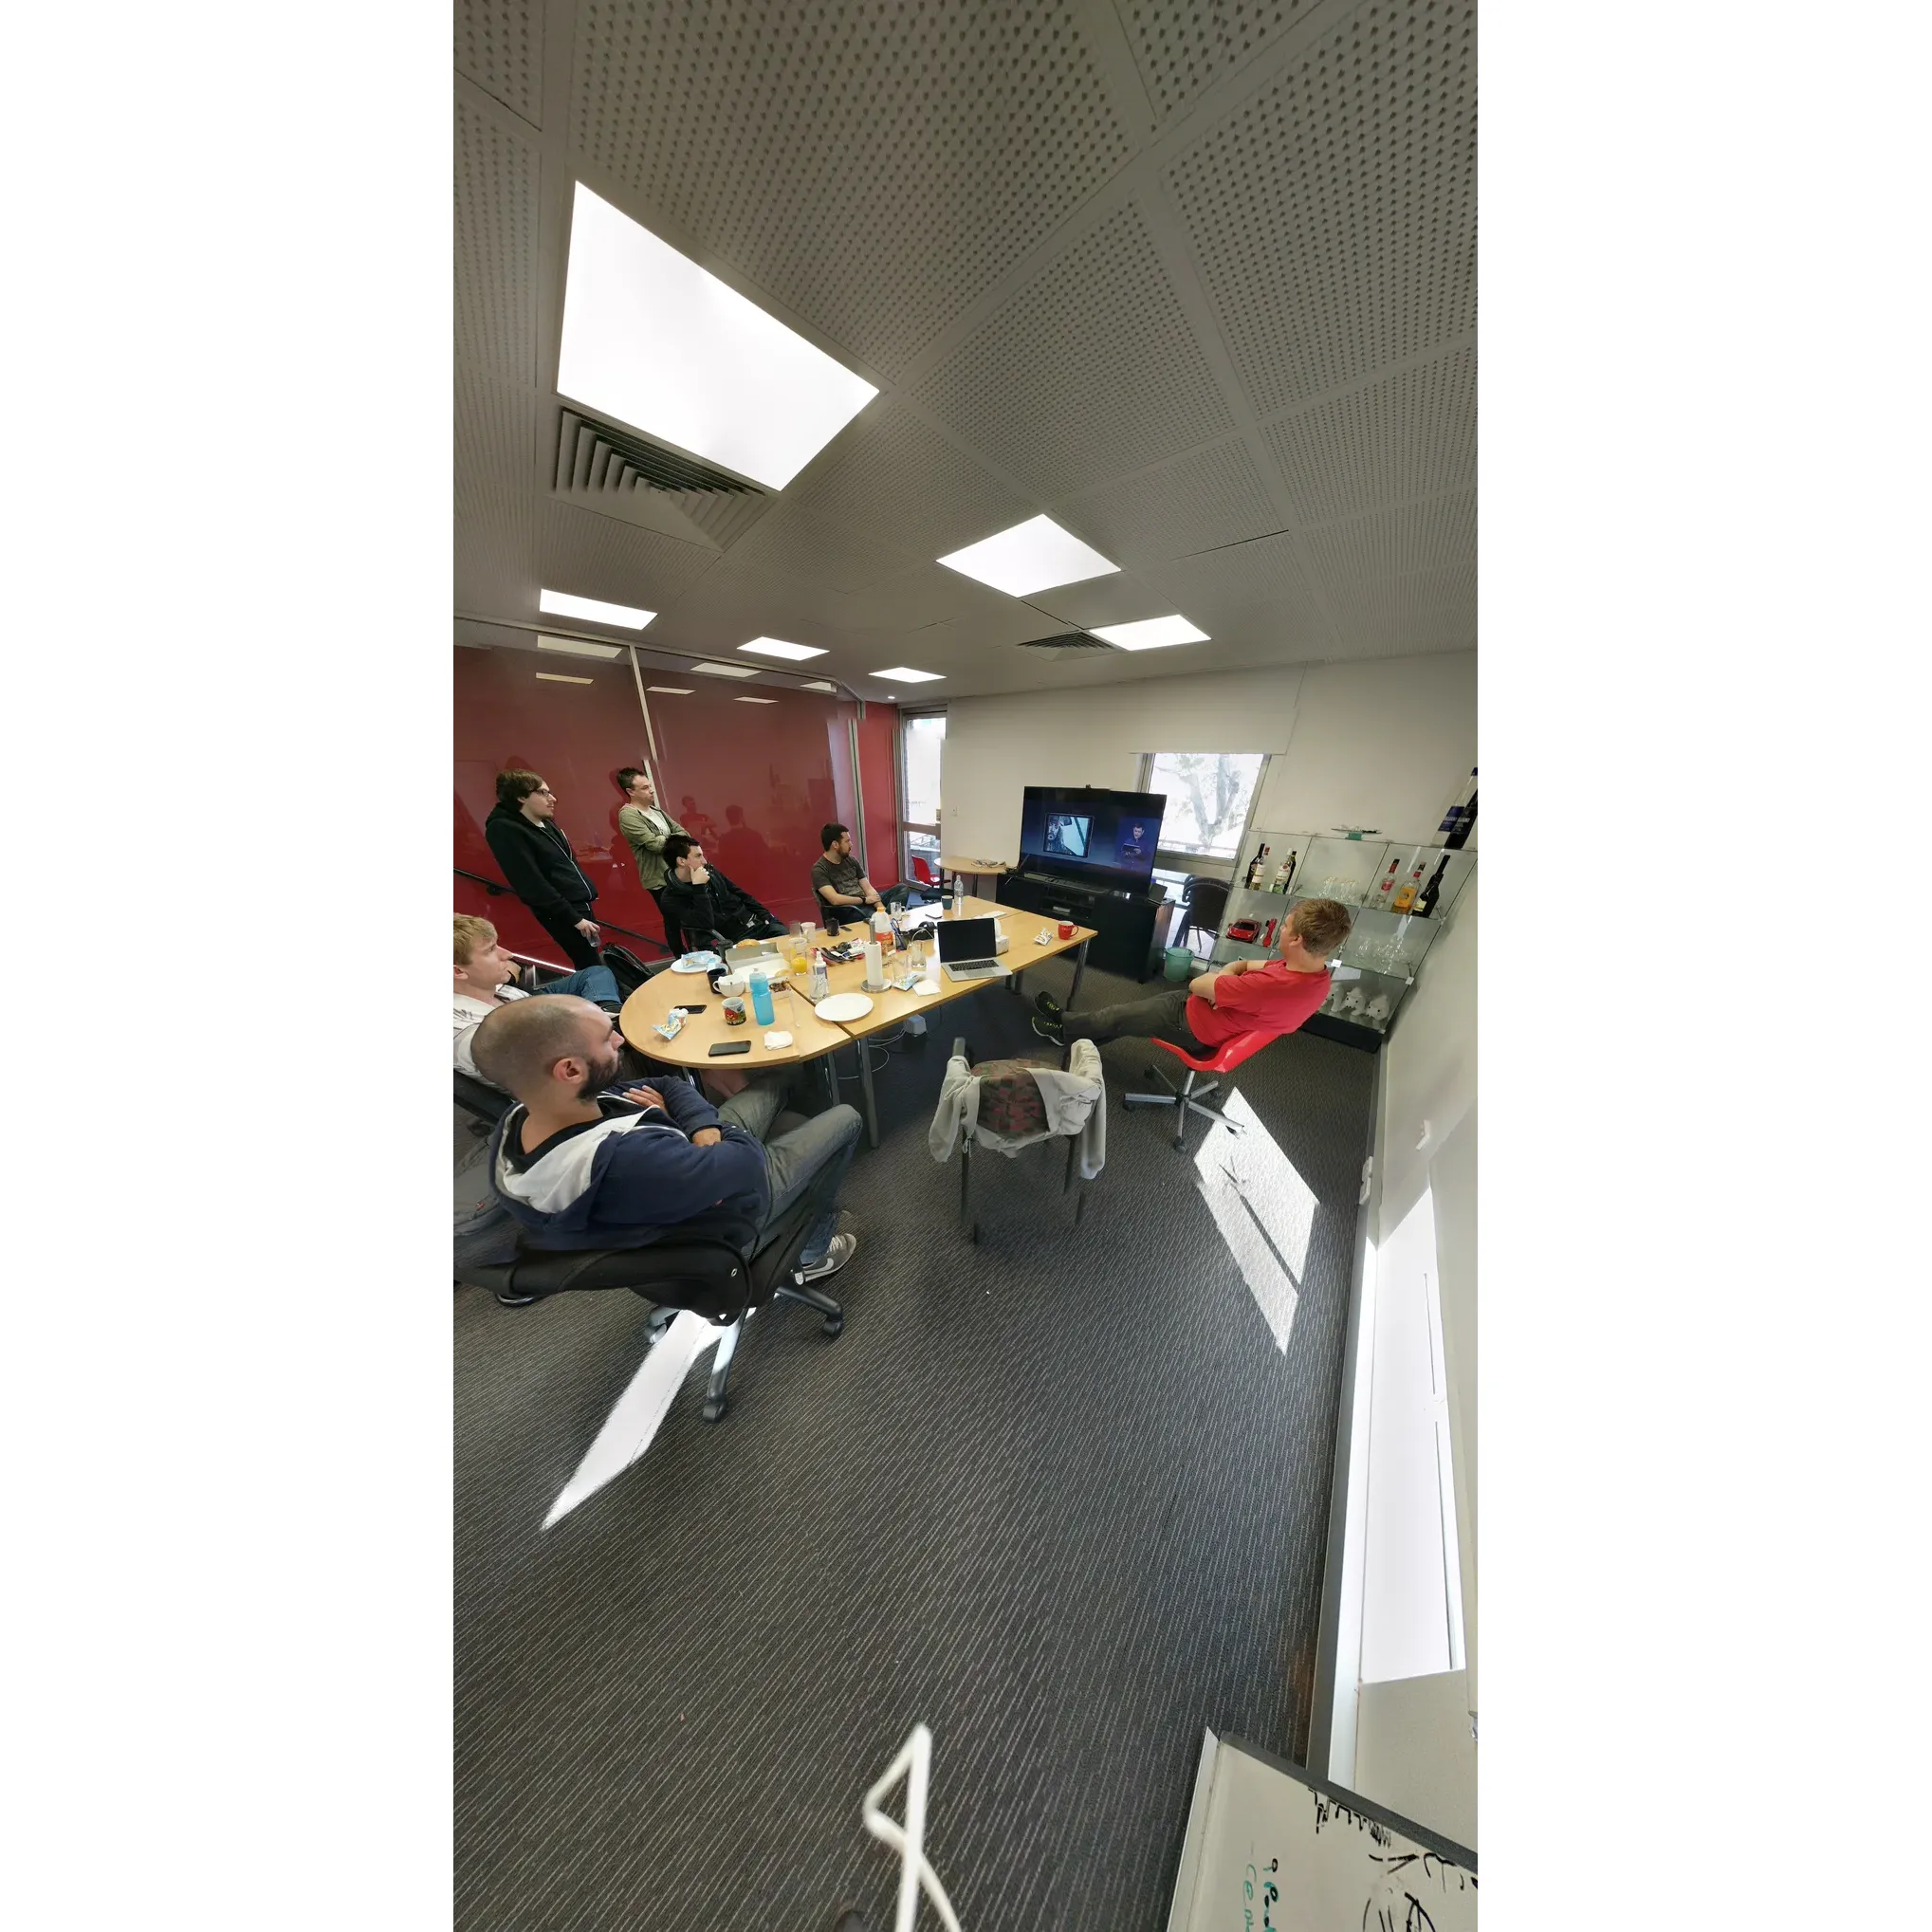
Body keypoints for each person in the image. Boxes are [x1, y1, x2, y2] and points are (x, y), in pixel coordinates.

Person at [472, 995, 860, 1279]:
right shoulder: (628, 1160)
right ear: (570, 1070)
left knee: (780, 1077)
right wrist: (678, 1122)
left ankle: (800, 1190)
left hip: (691, 1162)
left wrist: (699, 1128)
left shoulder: (526, 1113)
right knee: (847, 1118)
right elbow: (746, 1162)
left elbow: (666, 1084)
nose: (620, 1041)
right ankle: (813, 1251)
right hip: (734, 1207)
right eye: (607, 1038)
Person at [1032, 897, 1353, 1055]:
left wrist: (1221, 983)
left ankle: (1064, 1028)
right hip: (1210, 1013)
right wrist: (1226, 981)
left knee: (1116, 1015)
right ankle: (1071, 1028)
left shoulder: (1269, 986)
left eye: (1285, 927)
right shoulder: (1315, 975)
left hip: (1192, 1024)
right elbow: (1243, 965)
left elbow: (1197, 983)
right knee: (1124, 1019)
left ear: (1296, 939)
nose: (1280, 929)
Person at [453, 913, 621, 1079]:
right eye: (490, 950)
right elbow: (545, 1069)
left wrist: (604, 1022)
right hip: (589, 1080)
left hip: (590, 1060)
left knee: (597, 973)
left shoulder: (495, 989)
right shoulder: (466, 1033)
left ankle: (612, 1013)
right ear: (458, 971)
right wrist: (598, 1033)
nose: (507, 954)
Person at [484, 770, 602, 968]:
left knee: (593, 960)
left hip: (580, 903)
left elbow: (565, 863)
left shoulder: (545, 821)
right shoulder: (504, 829)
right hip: (562, 911)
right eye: (542, 793)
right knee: (589, 964)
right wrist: (574, 918)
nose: (552, 799)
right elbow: (531, 883)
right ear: (521, 796)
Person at [658, 835, 786, 952]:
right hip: (733, 940)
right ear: (681, 861)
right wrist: (699, 888)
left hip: (757, 924)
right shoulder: (671, 898)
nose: (704, 861)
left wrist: (768, 917)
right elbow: (702, 924)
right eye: (698, 856)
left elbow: (740, 894)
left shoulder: (710, 872)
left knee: (786, 941)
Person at [614, 767, 688, 916]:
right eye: (645, 788)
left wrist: (663, 838)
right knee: (674, 921)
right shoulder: (628, 815)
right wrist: (673, 838)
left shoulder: (656, 811)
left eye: (650, 786)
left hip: (678, 873)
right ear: (630, 792)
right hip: (660, 879)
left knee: (689, 919)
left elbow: (685, 834)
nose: (651, 790)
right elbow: (655, 845)